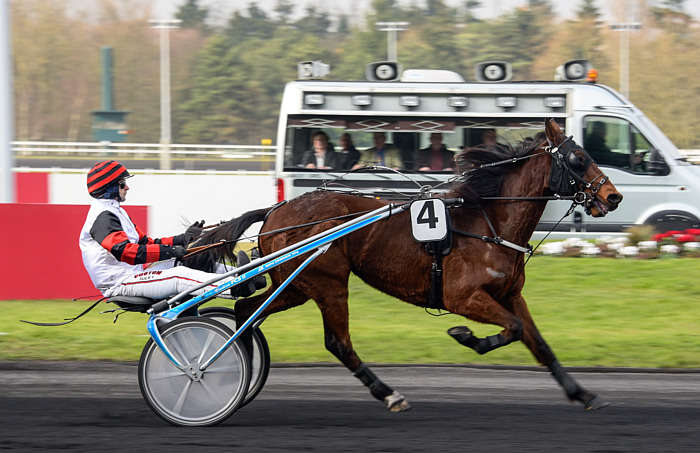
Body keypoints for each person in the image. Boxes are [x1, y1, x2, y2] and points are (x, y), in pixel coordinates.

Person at [79, 161, 257, 301]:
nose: (127, 187)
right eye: (122, 183)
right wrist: (169, 251)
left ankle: (244, 275)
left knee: (189, 260)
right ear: (109, 188)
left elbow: (146, 243)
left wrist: (183, 239)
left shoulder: (116, 211)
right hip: (119, 282)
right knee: (179, 275)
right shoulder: (102, 217)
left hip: (133, 274)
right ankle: (235, 286)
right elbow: (125, 253)